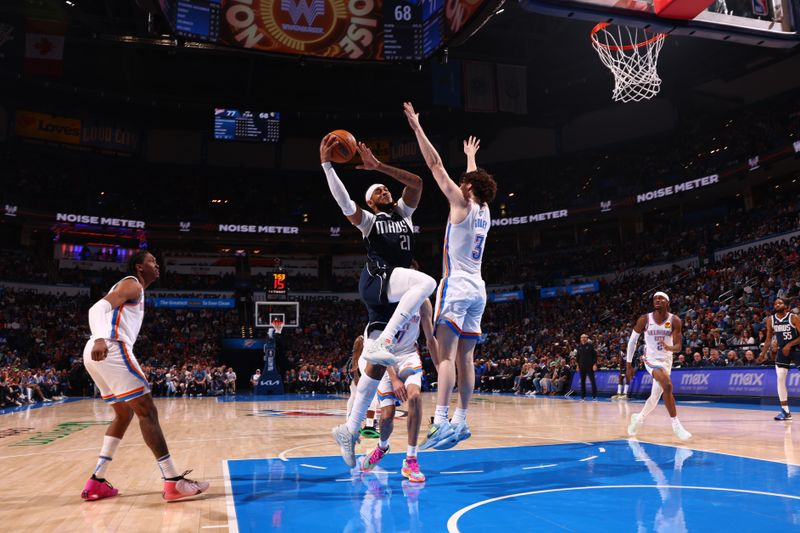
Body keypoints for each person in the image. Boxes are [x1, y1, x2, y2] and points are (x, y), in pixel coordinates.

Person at [323, 133, 437, 467]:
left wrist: (379, 167)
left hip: (392, 297)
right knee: (427, 281)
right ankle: (385, 340)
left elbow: (416, 181)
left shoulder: (404, 214)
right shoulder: (372, 221)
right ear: (372, 202)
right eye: (377, 192)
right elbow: (345, 205)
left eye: (385, 189)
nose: (384, 191)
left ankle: (350, 429)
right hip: (378, 280)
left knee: (374, 367)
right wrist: (327, 165)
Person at [404, 104, 497, 451]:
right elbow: (476, 181)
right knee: (466, 359)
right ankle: (461, 421)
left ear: (468, 187)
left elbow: (434, 165)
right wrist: (472, 157)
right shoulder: (485, 209)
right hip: (479, 289)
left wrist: (417, 128)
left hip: (456, 285)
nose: (459, 182)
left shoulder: (460, 202)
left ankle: (440, 421)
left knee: (445, 358)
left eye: (465, 181)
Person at [81, 251, 209, 501]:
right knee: (147, 412)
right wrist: (99, 338)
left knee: (124, 413)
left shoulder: (137, 290)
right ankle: (173, 481)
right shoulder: (133, 284)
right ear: (140, 266)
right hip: (111, 346)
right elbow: (96, 308)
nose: (157, 264)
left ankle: (96, 481)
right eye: (152, 261)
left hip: (97, 353)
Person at [359, 291, 437, 483]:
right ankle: (382, 447)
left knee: (415, 397)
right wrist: (394, 379)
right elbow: (379, 344)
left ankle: (411, 459)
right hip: (385, 357)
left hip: (409, 355)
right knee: (386, 416)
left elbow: (430, 339)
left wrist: (441, 368)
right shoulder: (387, 299)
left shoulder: (423, 301)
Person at [626, 292, 692, 441]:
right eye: (655, 298)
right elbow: (632, 342)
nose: (657, 300)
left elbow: (678, 346)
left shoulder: (674, 320)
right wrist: (628, 364)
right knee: (667, 385)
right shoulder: (645, 319)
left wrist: (670, 348)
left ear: (667, 302)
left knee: (655, 396)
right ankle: (676, 424)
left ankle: (638, 418)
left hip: (666, 361)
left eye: (661, 298)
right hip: (650, 359)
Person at [761, 298, 800, 421]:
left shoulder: (793, 317)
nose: (777, 304)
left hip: (797, 348)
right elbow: (768, 339)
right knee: (780, 379)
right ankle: (785, 411)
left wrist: (790, 345)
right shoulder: (770, 320)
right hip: (782, 350)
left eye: (780, 303)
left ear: (786, 306)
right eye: (775, 303)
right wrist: (763, 354)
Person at [576, 333, 598, 401]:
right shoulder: (579, 347)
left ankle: (594, 397)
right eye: (582, 337)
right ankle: (583, 397)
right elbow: (577, 357)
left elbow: (595, 356)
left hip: (590, 366)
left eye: (585, 337)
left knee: (592, 381)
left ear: (587, 338)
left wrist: (594, 364)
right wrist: (577, 366)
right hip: (582, 366)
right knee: (582, 381)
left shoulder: (590, 346)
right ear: (580, 339)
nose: (583, 338)